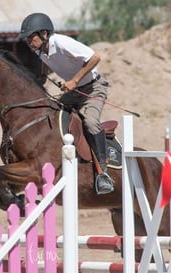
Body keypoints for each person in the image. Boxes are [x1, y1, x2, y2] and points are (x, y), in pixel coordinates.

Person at [19, 12, 114, 195]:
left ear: (44, 34)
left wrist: (74, 81)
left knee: (90, 122)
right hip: (74, 92)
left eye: (31, 37)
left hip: (93, 88)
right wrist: (41, 77)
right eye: (26, 39)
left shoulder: (62, 43)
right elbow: (48, 63)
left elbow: (95, 57)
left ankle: (103, 173)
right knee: (52, 115)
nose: (28, 42)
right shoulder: (40, 50)